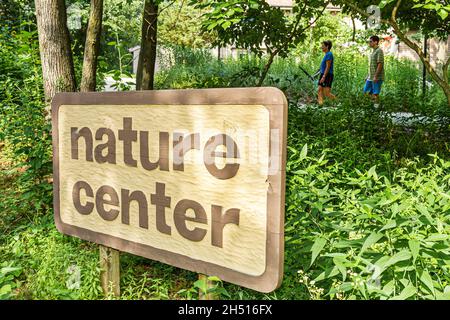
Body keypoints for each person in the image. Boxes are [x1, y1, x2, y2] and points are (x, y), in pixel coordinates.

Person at [364, 35, 385, 106]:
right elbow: (372, 65)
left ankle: (376, 108)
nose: (369, 43)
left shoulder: (379, 51)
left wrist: (376, 76)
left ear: (376, 42)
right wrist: (368, 75)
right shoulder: (373, 51)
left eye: (371, 41)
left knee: (375, 93)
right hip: (371, 77)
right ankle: (370, 107)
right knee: (366, 91)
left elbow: (380, 64)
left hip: (377, 77)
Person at [317, 40, 336, 105]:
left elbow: (328, 67)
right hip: (323, 74)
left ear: (327, 46)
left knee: (326, 93)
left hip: (327, 75)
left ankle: (338, 103)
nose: (321, 47)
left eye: (323, 46)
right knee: (319, 90)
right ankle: (320, 106)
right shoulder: (326, 55)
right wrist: (317, 74)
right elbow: (322, 67)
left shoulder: (329, 54)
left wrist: (324, 76)